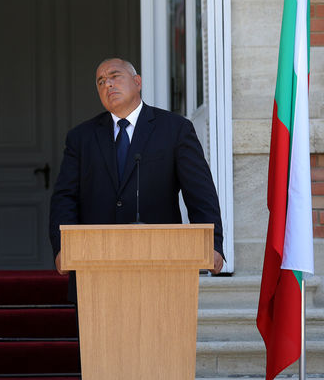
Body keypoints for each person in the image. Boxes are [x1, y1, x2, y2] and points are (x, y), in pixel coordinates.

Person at [49, 58, 224, 276]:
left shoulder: (175, 129)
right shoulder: (81, 138)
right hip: (95, 265)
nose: (108, 85)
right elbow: (64, 198)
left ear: (137, 82)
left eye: (115, 76)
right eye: (101, 82)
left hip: (162, 261)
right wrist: (62, 247)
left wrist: (213, 244)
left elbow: (200, 191)